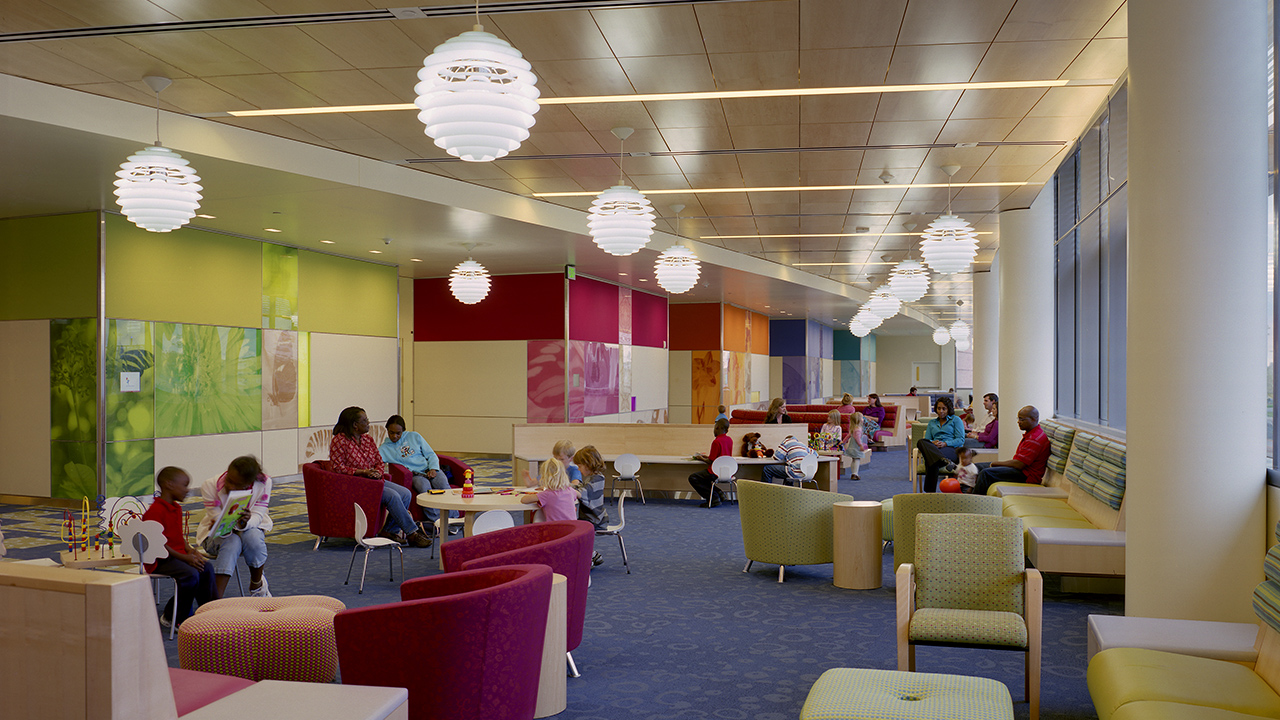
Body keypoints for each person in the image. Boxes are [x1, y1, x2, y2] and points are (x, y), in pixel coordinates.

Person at [329, 406, 430, 548]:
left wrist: (377, 471)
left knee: (405, 493)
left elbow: (378, 460)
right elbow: (337, 468)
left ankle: (389, 531)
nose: (368, 422)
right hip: (355, 483)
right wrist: (362, 472)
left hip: (373, 480)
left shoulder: (367, 439)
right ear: (355, 425)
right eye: (365, 420)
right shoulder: (339, 441)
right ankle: (412, 533)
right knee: (393, 496)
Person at [145, 467, 218, 628]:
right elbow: (159, 543)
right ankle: (176, 617)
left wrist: (191, 551)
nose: (188, 490)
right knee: (190, 574)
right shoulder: (155, 511)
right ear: (169, 484)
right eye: (184, 485)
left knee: (206, 568)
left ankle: (211, 612)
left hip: (175, 556)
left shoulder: (176, 508)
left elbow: (177, 537)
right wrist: (185, 558)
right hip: (159, 558)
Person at [196, 455, 272, 598]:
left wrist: (246, 522)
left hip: (249, 529)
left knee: (253, 537)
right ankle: (216, 598)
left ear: (249, 483)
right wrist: (221, 525)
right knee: (232, 542)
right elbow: (216, 519)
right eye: (229, 480)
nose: (231, 486)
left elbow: (258, 515)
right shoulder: (210, 485)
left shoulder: (264, 483)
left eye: (238, 485)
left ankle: (256, 585)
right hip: (216, 536)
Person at [379, 414, 453, 536]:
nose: (394, 436)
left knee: (442, 483)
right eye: (391, 433)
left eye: (398, 433)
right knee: (424, 488)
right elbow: (376, 461)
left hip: (429, 469)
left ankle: (453, 520)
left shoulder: (414, 436)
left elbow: (431, 454)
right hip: (415, 475)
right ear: (387, 430)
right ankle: (436, 521)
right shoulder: (384, 448)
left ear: (404, 431)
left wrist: (433, 468)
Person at [973, 406, 1052, 496]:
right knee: (977, 467)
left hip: (1027, 476)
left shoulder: (1034, 439)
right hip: (1021, 471)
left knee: (986, 473)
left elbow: (1019, 464)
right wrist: (995, 463)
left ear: (1033, 419)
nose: (1018, 422)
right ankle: (969, 492)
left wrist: (995, 463)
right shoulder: (1032, 434)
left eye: (1022, 419)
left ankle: (975, 503)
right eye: (1018, 418)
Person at [915, 396, 966, 492]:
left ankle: (930, 493)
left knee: (932, 460)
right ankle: (942, 460)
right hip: (935, 448)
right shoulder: (932, 422)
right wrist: (932, 442)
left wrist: (945, 443)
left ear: (949, 409)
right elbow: (927, 440)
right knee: (920, 442)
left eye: (944, 409)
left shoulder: (956, 420)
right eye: (939, 408)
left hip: (950, 448)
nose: (941, 411)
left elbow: (960, 440)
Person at [572, 446, 609, 567]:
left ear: (588, 464)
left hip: (595, 519)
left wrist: (566, 490)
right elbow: (582, 488)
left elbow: (582, 493)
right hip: (591, 518)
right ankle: (592, 555)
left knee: (573, 530)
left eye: (580, 466)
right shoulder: (593, 477)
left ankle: (589, 557)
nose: (578, 468)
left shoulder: (598, 478)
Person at [688, 418, 733, 507]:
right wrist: (706, 457)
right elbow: (720, 457)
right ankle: (718, 492)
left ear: (718, 427)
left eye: (714, 427)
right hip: (726, 471)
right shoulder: (729, 440)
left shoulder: (716, 441)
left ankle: (713, 498)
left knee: (693, 478)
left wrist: (701, 458)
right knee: (704, 478)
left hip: (715, 472)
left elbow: (711, 461)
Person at [521, 457, 578, 521]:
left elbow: (524, 500)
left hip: (555, 529)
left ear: (544, 477)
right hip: (573, 528)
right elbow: (579, 494)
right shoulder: (570, 490)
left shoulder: (546, 495)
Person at [846, 411, 868, 481]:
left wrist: (843, 442)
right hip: (856, 447)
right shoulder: (858, 429)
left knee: (853, 459)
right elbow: (857, 438)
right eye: (862, 418)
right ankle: (855, 474)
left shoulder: (853, 428)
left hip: (852, 446)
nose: (863, 419)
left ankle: (853, 472)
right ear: (858, 420)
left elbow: (848, 436)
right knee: (857, 459)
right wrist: (861, 445)